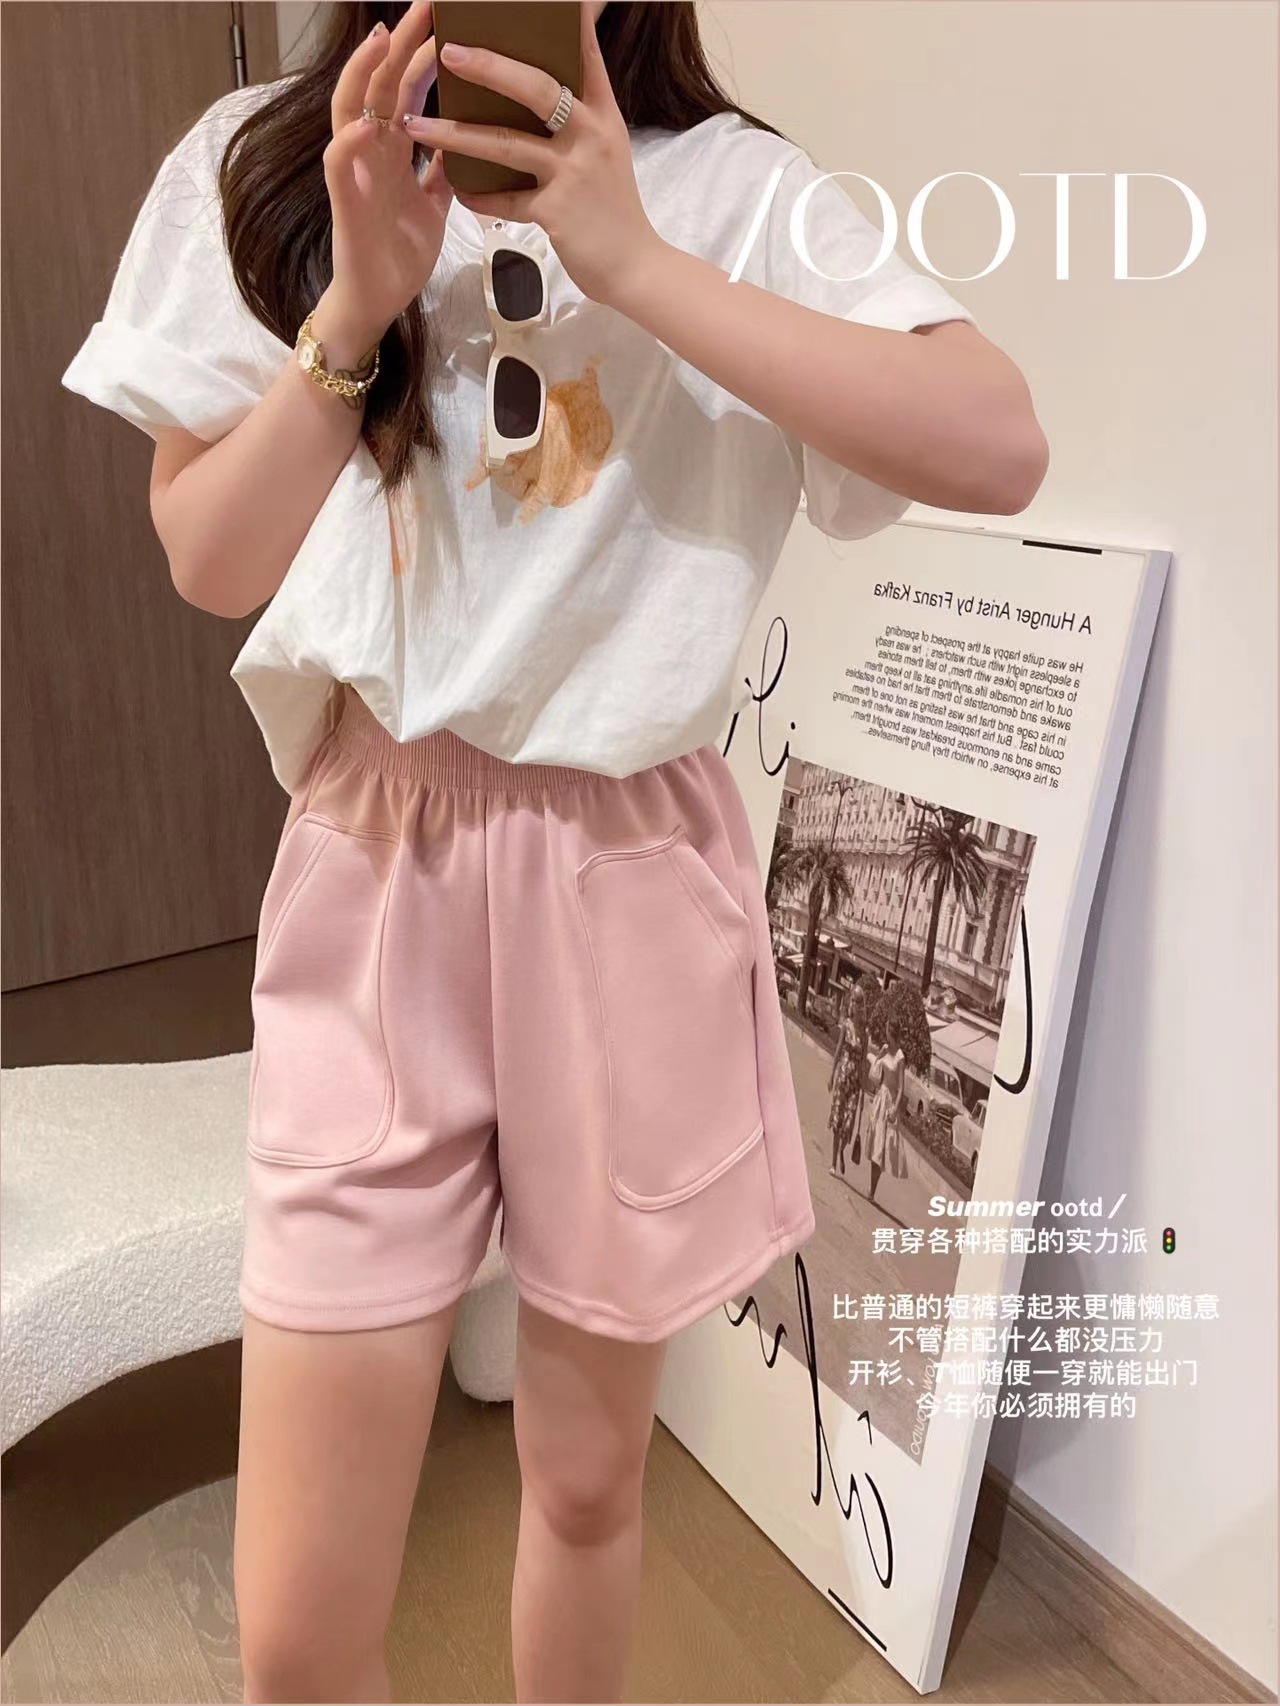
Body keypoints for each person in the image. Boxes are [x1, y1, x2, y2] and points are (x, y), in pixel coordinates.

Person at [60, 4, 1048, 1699]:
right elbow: (210, 559)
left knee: (586, 1486)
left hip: (626, 870)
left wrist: (633, 261)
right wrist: (356, 309)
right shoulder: (268, 164)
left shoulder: (733, 190)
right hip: (378, 867)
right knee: (294, 1630)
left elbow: (997, 442)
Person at [866, 1017, 910, 1204]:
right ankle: (871, 1189)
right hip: (880, 1099)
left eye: (886, 1030)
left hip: (889, 1103)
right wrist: (879, 1056)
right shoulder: (885, 1049)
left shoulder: (900, 1057)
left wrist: (894, 1108)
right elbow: (874, 1076)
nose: (885, 1033)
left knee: (880, 1147)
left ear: (891, 1032)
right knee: (874, 1143)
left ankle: (872, 1191)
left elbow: (900, 1088)